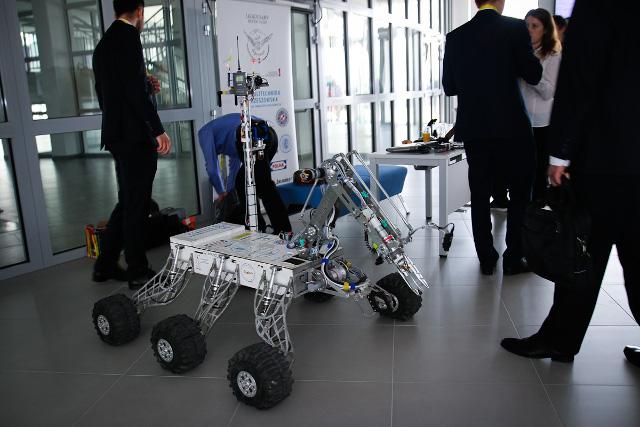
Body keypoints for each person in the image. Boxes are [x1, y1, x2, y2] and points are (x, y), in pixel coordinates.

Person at [501, 0, 640, 368]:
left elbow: (581, 79)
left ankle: (559, 340)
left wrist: (560, 154)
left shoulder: (602, 8)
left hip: (608, 156)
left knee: (581, 252)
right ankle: (560, 338)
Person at [442, 0, 542, 275]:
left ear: (476, 2)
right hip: (513, 127)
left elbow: (449, 86)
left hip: (475, 128)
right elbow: (533, 75)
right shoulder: (515, 29)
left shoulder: (456, 37)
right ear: (501, 1)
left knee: (480, 192)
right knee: (520, 192)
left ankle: (486, 258)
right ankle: (514, 257)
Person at [92, 0, 172, 289]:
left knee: (128, 201)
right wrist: (157, 130)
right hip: (135, 137)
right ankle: (137, 270)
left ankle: (105, 264)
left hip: (117, 135)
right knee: (137, 205)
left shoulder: (104, 44)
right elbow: (133, 91)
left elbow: (111, 91)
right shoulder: (128, 37)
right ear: (139, 11)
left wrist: (146, 84)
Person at [198, 114, 292, 234]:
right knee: (243, 182)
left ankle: (284, 230)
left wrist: (221, 192)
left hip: (255, 136)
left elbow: (212, 168)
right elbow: (235, 166)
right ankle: (257, 226)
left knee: (264, 186)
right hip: (267, 135)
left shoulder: (204, 134)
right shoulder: (227, 135)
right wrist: (229, 192)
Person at [521, 8, 562, 202]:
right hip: (518, 120)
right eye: (526, 25)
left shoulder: (553, 56)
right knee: (519, 170)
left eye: (534, 26)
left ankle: (537, 211)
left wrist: (531, 74)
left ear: (545, 30)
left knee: (538, 172)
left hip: (541, 123)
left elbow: (548, 92)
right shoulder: (520, 51)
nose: (529, 29)